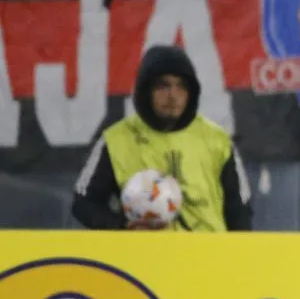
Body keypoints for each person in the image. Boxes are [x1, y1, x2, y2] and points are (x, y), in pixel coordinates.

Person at [72, 45, 252, 232]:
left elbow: (240, 210)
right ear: (145, 90)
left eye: (181, 86)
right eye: (163, 85)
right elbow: (83, 203)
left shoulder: (218, 140)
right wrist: (122, 228)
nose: (173, 95)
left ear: (191, 93)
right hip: (145, 250)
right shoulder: (115, 140)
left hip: (209, 249)